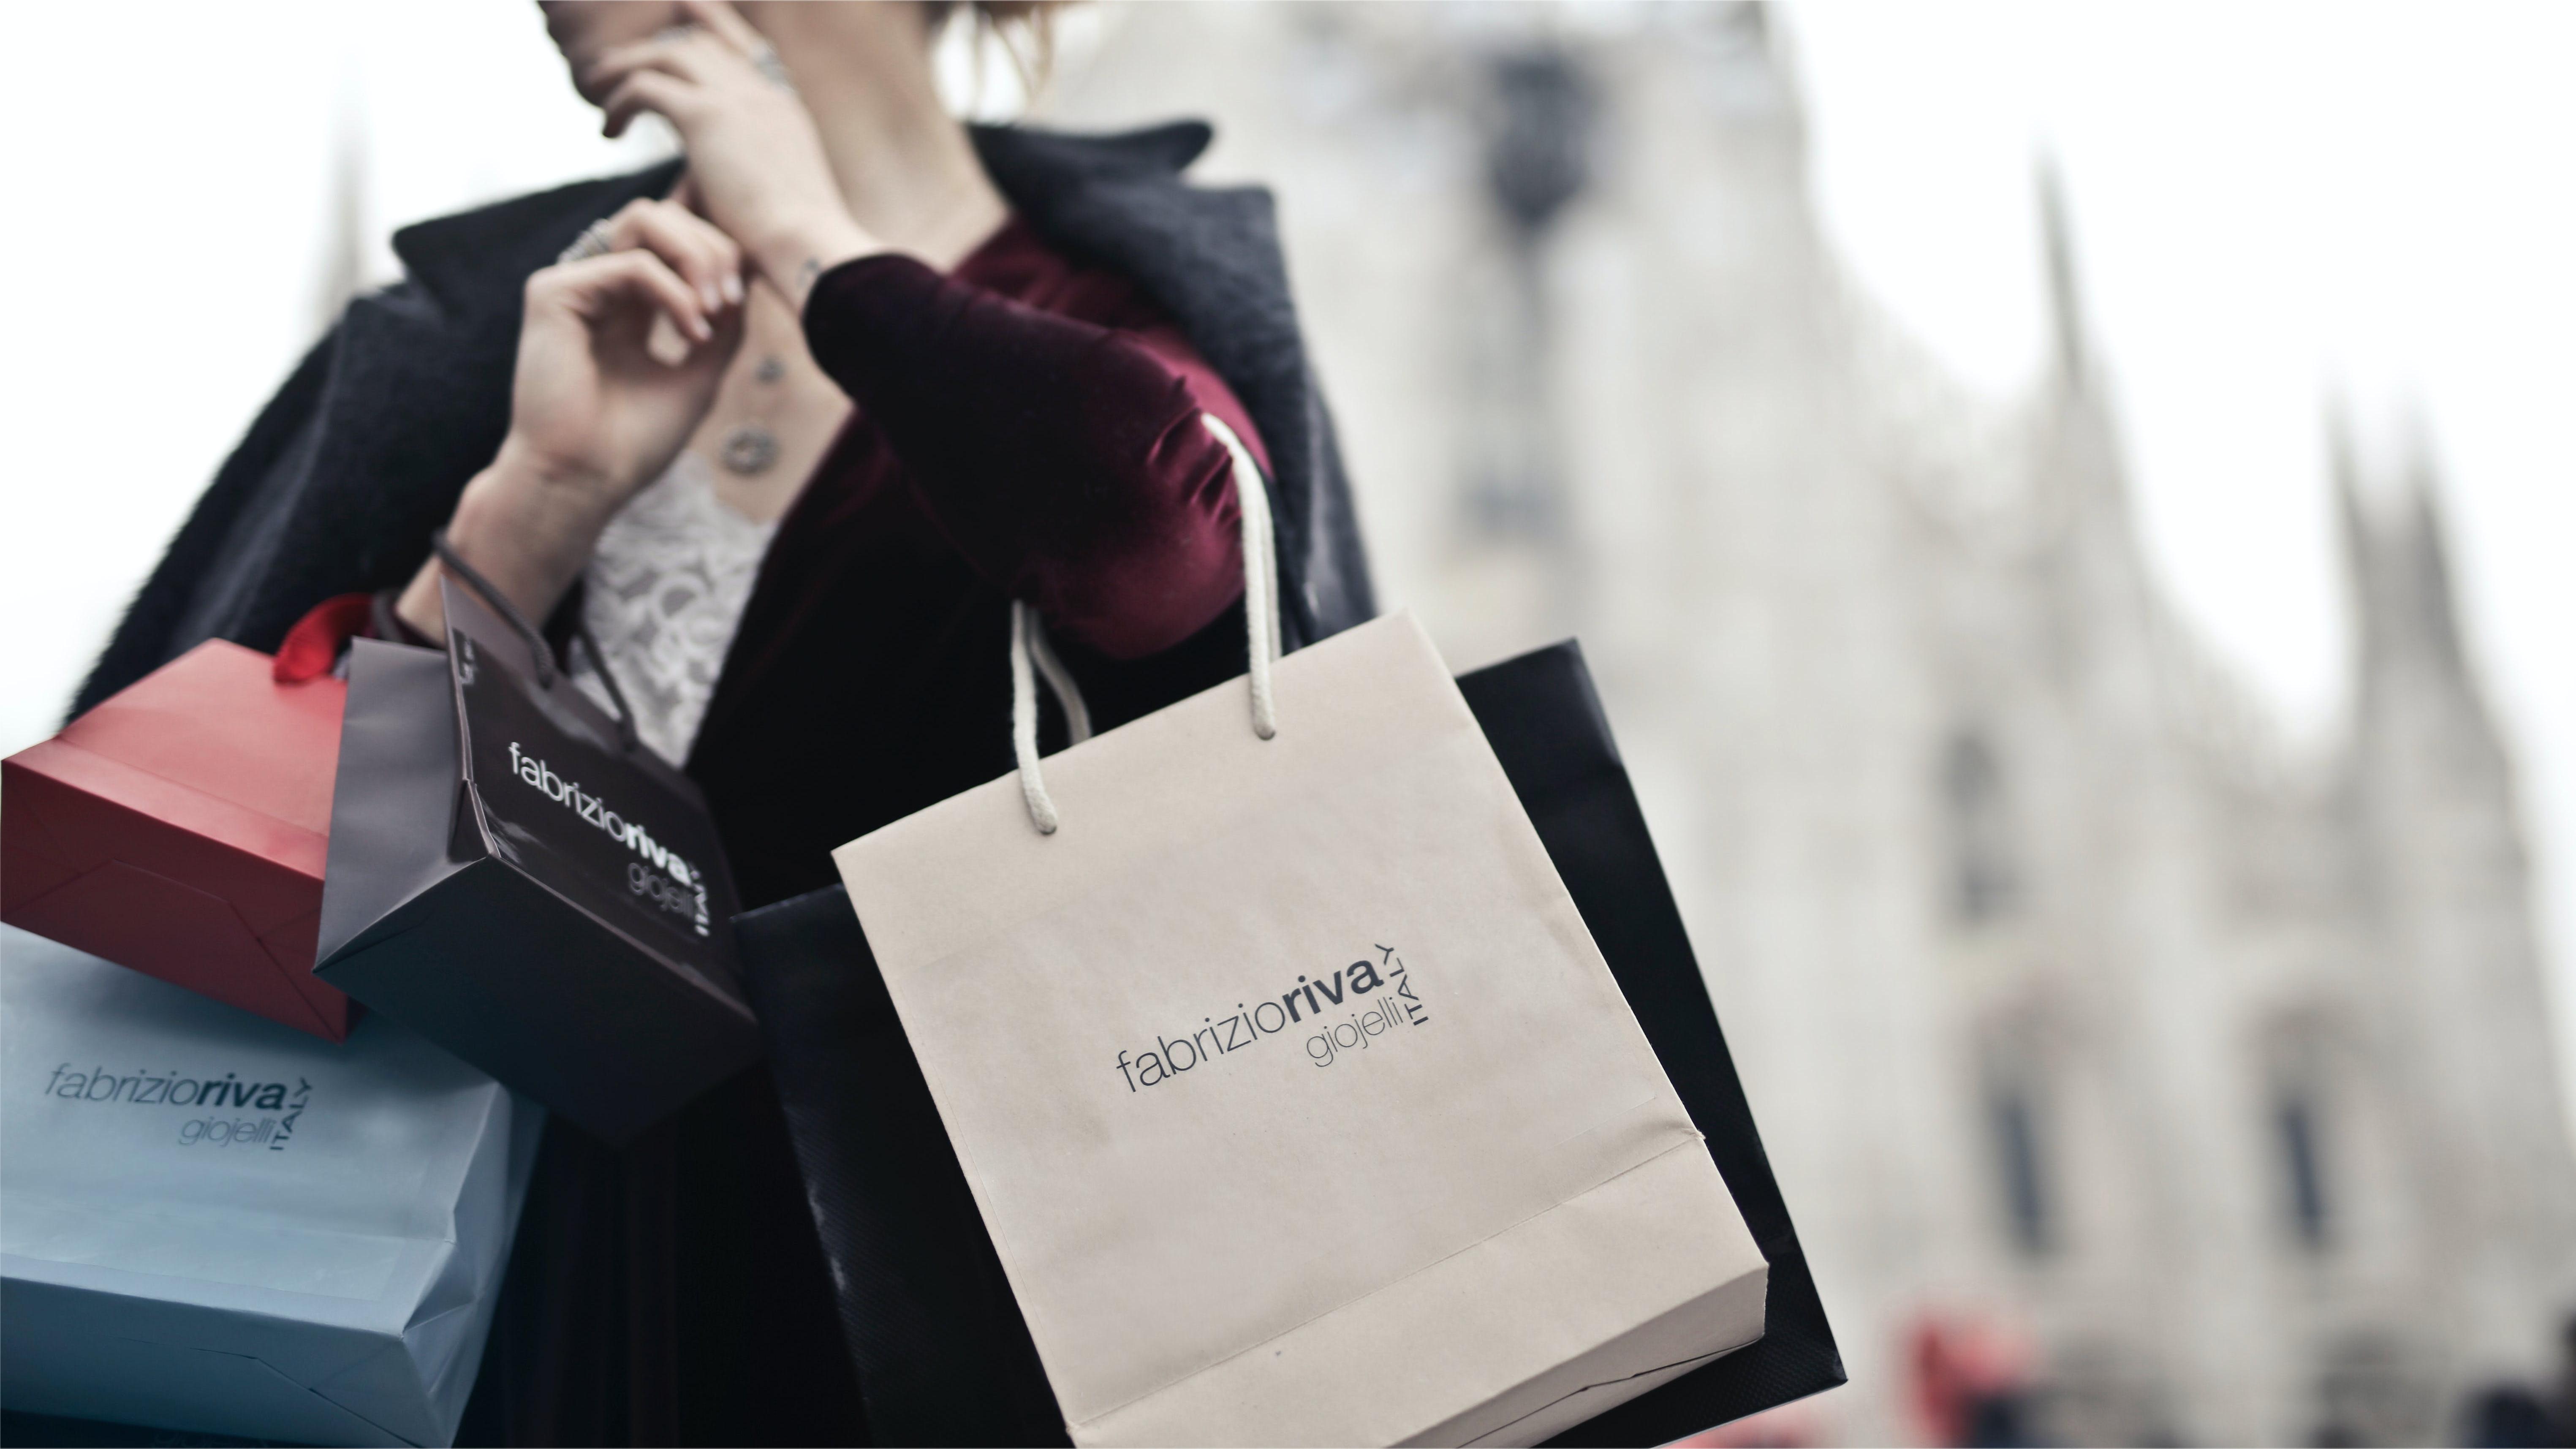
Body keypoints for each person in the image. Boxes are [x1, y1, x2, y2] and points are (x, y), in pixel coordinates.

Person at [76, 2, 1373, 1442]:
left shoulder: (1113, 326)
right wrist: (532, 512)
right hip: (442, 1316)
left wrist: (817, 249)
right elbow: (224, 866)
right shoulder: (502, 321)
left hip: (878, 1335)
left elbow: (1157, 549)